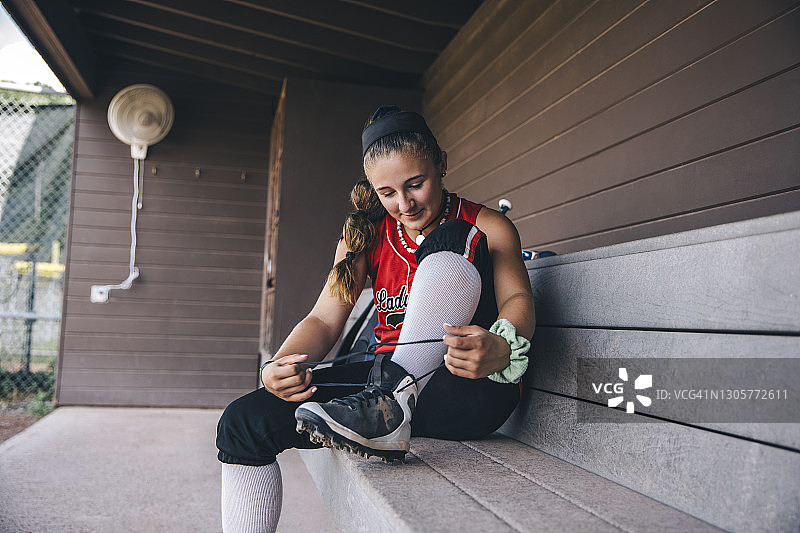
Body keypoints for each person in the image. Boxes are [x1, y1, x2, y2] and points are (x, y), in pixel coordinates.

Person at [216, 105, 535, 532]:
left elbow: (517, 297)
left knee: (452, 238)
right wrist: (281, 362)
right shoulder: (364, 235)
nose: (404, 204)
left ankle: (393, 401)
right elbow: (325, 319)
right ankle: (388, 402)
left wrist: (500, 345)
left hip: (461, 386)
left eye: (415, 184)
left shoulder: (487, 225)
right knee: (243, 423)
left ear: (441, 164)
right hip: (374, 400)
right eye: (387, 193)